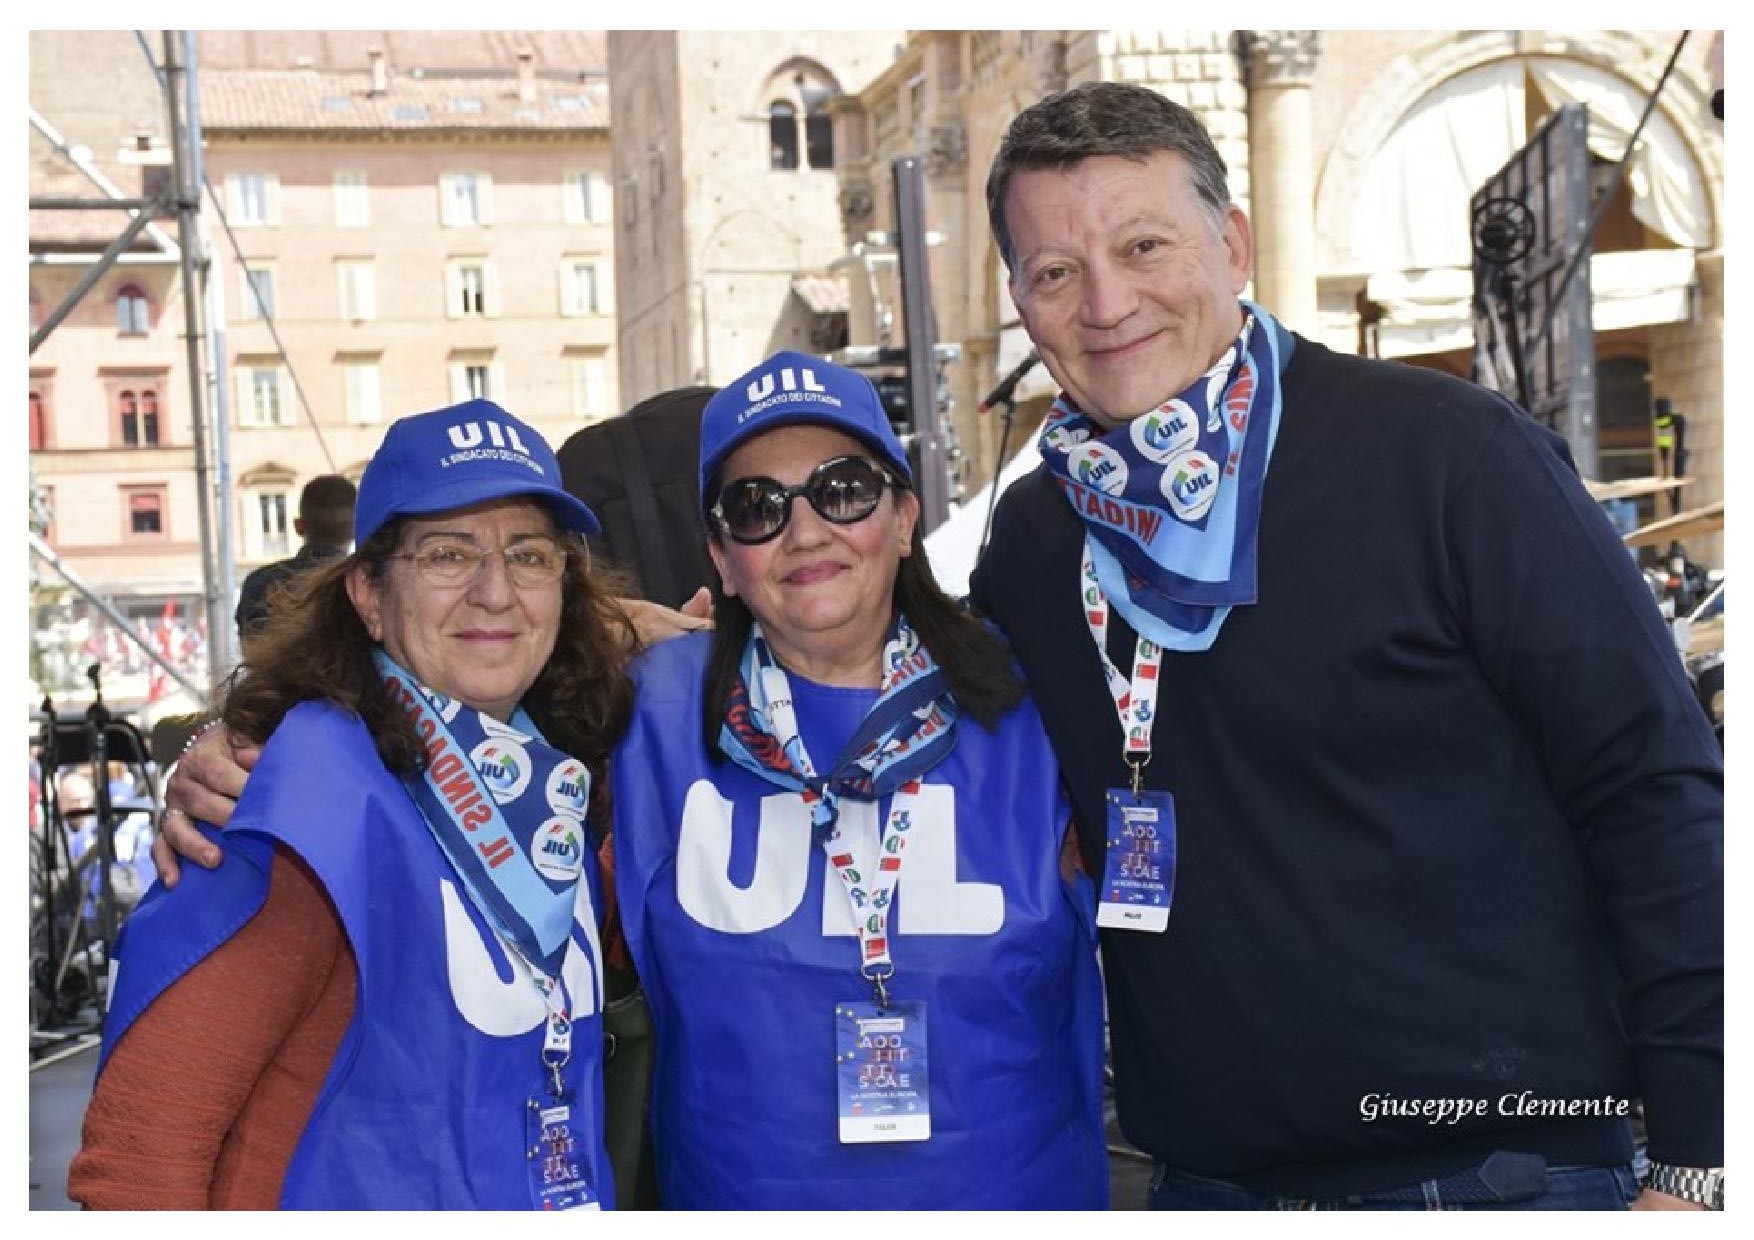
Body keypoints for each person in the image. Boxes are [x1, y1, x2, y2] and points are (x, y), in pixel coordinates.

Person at [968, 81, 1723, 1211]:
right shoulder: (1031, 538)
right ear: (1022, 301)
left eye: (1142, 244)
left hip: (1500, 1178)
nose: (1106, 302)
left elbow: (1655, 792)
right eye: (1054, 271)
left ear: (1231, 246)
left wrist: (1700, 1156)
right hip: (1207, 1187)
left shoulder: (1449, 458)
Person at [159, 353, 1111, 1210]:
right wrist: (236, 745)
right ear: (722, 559)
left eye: (845, 489)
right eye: (757, 507)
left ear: (904, 518)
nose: (806, 530)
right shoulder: (641, 713)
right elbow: (440, 710)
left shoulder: (1043, 695)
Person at [69, 399, 634, 1209]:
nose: (496, 592)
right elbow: (141, 1154)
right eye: (448, 554)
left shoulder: (559, 781)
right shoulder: (292, 806)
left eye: (531, 556)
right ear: (368, 592)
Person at [235, 473, 358, 641]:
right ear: (356, 530)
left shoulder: (259, 584)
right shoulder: (364, 585)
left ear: (298, 526)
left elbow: (250, 648)